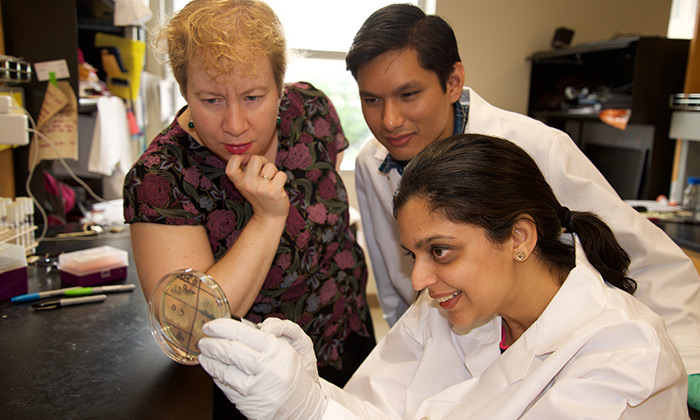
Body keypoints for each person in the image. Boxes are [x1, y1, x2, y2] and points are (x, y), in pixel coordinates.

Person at [345, 3, 700, 404]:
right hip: (454, 332)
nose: (389, 120)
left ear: (453, 81)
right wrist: (415, 361)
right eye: (371, 99)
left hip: (563, 355)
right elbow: (396, 285)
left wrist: (682, 364)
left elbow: (643, 257)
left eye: (408, 94)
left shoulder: (534, 148)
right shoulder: (370, 163)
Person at [196, 134, 689, 419]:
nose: (420, 280)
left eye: (441, 250)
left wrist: (312, 414)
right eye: (415, 255)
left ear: (519, 238)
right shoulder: (449, 306)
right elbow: (382, 411)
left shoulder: (623, 355)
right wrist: (313, 388)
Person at [122, 0, 375, 401]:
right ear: (184, 89)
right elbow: (191, 329)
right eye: (210, 100)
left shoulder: (312, 112)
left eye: (254, 96)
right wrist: (268, 217)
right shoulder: (160, 178)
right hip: (256, 385)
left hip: (349, 338)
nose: (235, 125)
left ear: (281, 85)